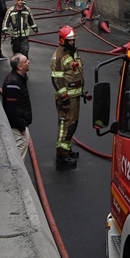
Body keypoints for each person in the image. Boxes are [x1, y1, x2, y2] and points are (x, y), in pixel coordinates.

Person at [50, 26, 89, 169]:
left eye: (73, 40)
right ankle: (62, 156)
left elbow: (76, 72)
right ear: (63, 40)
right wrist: (64, 98)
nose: (73, 42)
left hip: (75, 96)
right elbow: (56, 80)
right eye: (70, 40)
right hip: (67, 99)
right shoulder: (59, 57)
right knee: (65, 126)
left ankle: (67, 150)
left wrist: (81, 91)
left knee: (72, 125)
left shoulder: (72, 52)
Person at [1, 54, 32, 160]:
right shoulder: (13, 83)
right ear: (19, 67)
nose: (29, 62)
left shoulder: (18, 79)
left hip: (19, 124)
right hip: (18, 127)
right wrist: (21, 127)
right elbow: (11, 109)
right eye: (26, 61)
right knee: (18, 154)